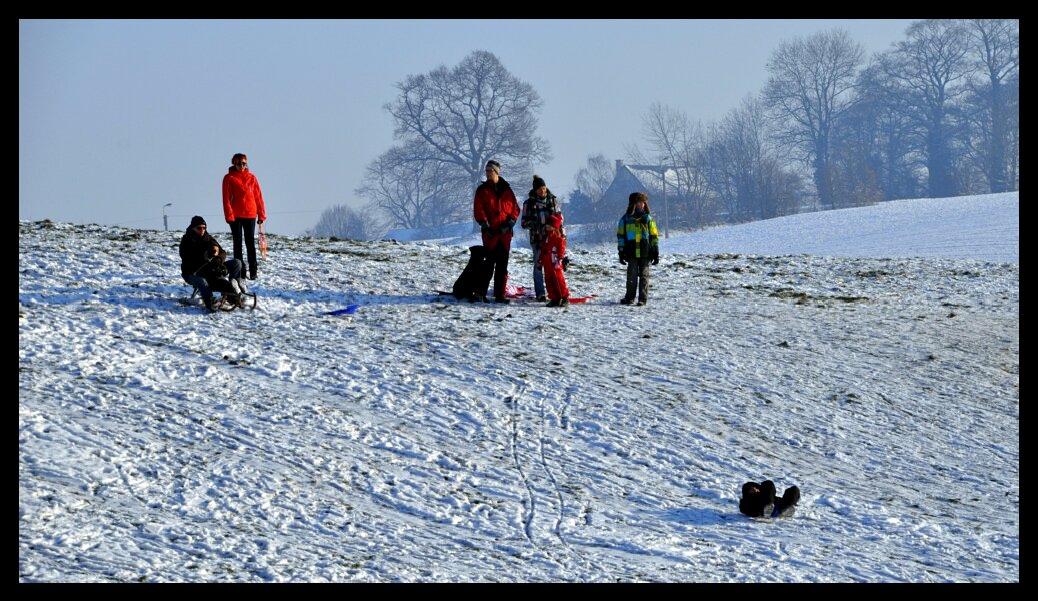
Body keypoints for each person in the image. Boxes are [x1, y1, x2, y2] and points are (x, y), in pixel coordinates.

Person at [473, 160, 520, 303]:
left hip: (504, 236)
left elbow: (515, 209)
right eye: (486, 171)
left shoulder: (507, 190)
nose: (487, 174)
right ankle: (481, 293)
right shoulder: (482, 190)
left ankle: (500, 295)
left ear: (496, 172)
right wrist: (486, 226)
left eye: (490, 171)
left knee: (502, 266)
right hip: (490, 235)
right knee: (487, 265)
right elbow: (478, 209)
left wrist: (510, 223)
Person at [179, 216, 245, 312]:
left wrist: (218, 259)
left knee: (237, 263)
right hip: (192, 273)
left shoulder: (208, 238)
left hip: (211, 271)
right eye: (199, 228)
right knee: (202, 282)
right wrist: (208, 256)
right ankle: (210, 302)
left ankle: (235, 287)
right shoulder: (187, 240)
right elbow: (189, 258)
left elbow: (222, 252)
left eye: (204, 228)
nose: (202, 230)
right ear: (193, 228)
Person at [222, 153, 267, 280]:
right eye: (238, 163)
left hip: (250, 215)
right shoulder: (228, 178)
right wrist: (229, 215)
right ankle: (240, 271)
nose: (241, 166)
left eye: (243, 163)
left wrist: (261, 214)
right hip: (235, 216)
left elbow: (258, 196)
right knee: (237, 243)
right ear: (233, 164)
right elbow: (226, 199)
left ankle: (253, 271)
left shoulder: (252, 178)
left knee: (250, 244)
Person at [520, 175, 561, 302]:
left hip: (552, 239)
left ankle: (554, 292)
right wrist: (537, 224)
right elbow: (523, 223)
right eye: (539, 189)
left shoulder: (553, 201)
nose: (542, 191)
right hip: (537, 239)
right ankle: (540, 293)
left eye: (543, 188)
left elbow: (560, 219)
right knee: (538, 266)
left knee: (553, 266)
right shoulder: (528, 203)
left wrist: (559, 231)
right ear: (535, 190)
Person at [616, 192, 660, 306]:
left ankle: (642, 299)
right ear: (633, 204)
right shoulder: (625, 219)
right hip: (631, 252)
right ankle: (629, 298)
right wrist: (621, 250)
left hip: (646, 252)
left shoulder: (648, 218)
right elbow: (620, 235)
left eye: (643, 203)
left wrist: (655, 249)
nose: (642, 205)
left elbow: (654, 235)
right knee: (631, 276)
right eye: (639, 202)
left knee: (644, 276)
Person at [540, 213, 571, 307]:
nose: (547, 227)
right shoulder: (546, 237)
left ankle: (564, 297)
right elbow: (544, 249)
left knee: (559, 281)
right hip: (547, 263)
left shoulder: (558, 238)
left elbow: (561, 249)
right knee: (549, 281)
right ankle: (554, 298)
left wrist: (560, 259)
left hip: (555, 263)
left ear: (554, 226)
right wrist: (540, 261)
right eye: (547, 225)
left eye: (549, 225)